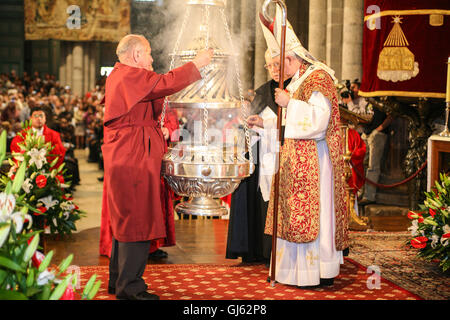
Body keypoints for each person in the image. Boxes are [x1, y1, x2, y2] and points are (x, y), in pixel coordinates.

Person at [101, 34, 212, 300]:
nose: (152, 59)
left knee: (127, 220)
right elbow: (164, 83)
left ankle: (118, 280)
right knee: (136, 219)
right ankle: (130, 288)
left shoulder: (122, 75)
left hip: (129, 152)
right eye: (149, 54)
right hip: (133, 156)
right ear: (137, 55)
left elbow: (155, 94)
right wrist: (196, 64)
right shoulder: (128, 74)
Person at [250, 8, 348, 288]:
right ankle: (291, 271)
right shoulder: (299, 79)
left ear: (291, 59)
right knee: (292, 217)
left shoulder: (319, 78)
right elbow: (289, 127)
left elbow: (318, 122)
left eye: (278, 66)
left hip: (316, 164)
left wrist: (288, 104)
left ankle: (314, 273)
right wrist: (265, 124)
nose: (275, 72)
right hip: (297, 162)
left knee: (311, 218)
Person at [226, 49, 289, 266]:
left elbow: (297, 125)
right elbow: (252, 127)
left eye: (277, 65)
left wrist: (266, 125)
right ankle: (260, 250)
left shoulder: (296, 91)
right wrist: (251, 125)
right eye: (269, 66)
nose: (273, 70)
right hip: (265, 156)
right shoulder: (263, 92)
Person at [10, 106, 66, 170]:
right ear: (30, 118)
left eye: (41, 116)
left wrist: (45, 150)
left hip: (48, 169)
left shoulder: (54, 135)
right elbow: (16, 152)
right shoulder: (21, 135)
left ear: (45, 119)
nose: (39, 119)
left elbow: (60, 153)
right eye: (35, 116)